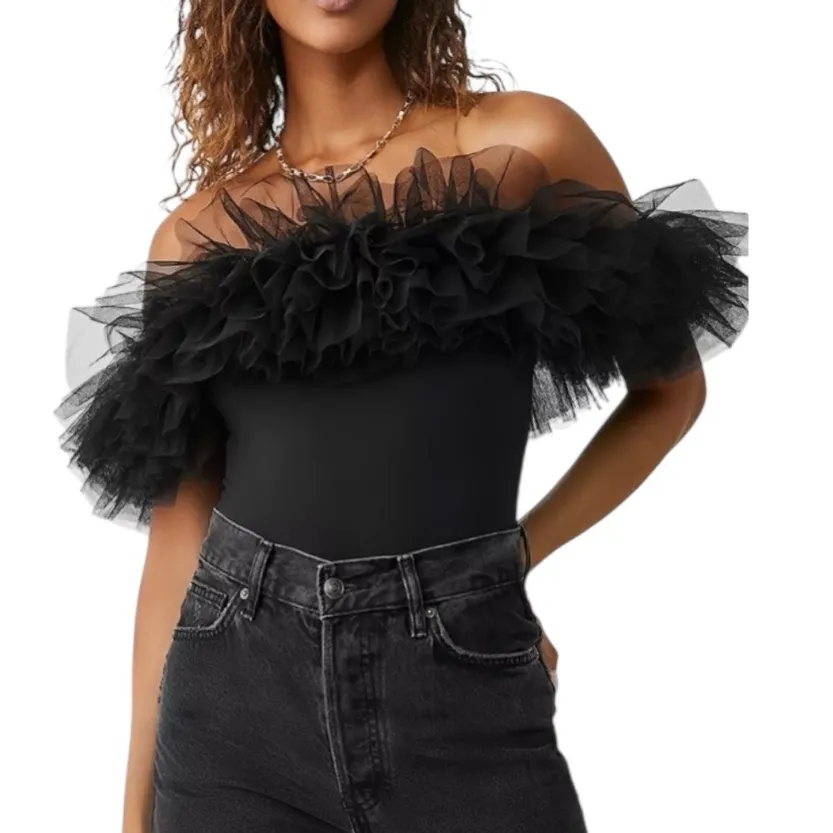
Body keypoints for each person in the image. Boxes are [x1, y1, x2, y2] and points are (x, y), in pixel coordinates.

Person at [54, 1, 750, 831]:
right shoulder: (195, 237)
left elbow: (670, 392)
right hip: (234, 710)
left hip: (463, 690)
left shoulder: (526, 145)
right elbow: (179, 538)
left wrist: (508, 561)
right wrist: (133, 813)